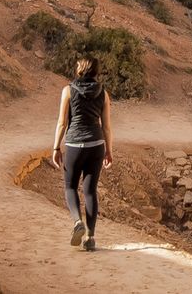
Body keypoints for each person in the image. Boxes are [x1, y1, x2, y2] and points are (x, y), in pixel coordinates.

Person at [49, 56, 113, 251]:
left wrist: (55, 147)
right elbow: (107, 127)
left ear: (79, 70)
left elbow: (62, 123)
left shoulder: (68, 91)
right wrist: (109, 151)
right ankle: (90, 238)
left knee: (70, 187)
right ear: (95, 71)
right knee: (90, 191)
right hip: (96, 144)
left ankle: (78, 222)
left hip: (75, 145)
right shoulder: (103, 93)